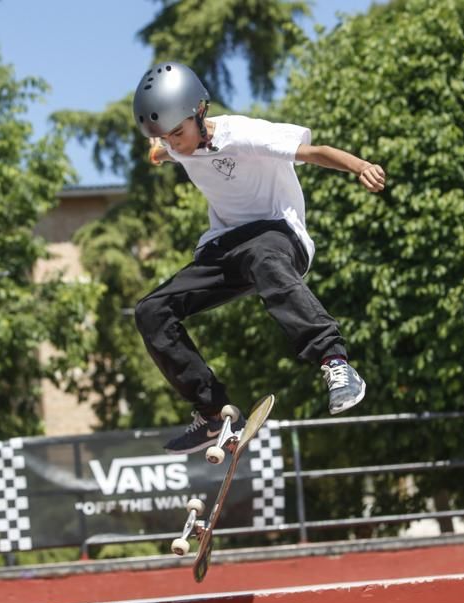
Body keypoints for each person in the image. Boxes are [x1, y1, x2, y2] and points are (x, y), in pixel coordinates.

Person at [132, 62, 387, 453]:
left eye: (179, 134)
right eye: (165, 138)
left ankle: (335, 363)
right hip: (226, 247)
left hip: (279, 236)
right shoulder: (172, 142)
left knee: (261, 255)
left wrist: (361, 167)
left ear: (200, 111)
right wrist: (158, 152)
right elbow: (164, 150)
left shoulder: (245, 135)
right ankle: (213, 413)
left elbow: (313, 152)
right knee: (151, 311)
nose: (176, 145)